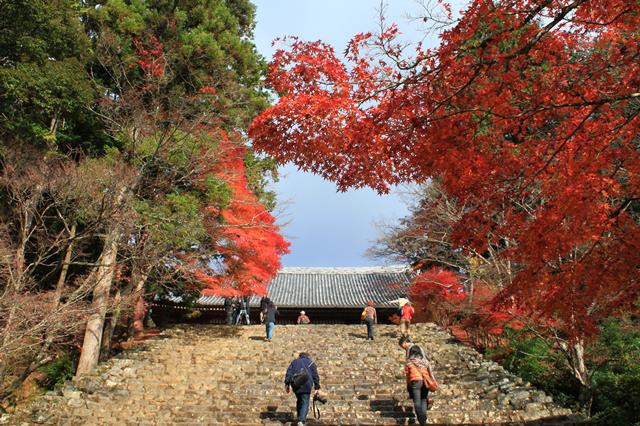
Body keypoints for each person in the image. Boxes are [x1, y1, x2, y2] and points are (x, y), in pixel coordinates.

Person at [284, 352, 321, 426]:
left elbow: (289, 373)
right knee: (305, 401)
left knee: (299, 400)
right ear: (308, 356)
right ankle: (301, 420)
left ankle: (299, 417)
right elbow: (315, 376)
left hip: (296, 384)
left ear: (300, 356)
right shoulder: (311, 363)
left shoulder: (294, 362)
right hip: (307, 385)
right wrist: (317, 387)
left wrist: (287, 384)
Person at [405, 344, 436, 426]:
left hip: (415, 381)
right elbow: (430, 372)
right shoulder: (425, 361)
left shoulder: (409, 362)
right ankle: (424, 420)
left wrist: (408, 385)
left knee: (417, 402)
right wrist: (433, 381)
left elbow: (408, 375)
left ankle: (422, 419)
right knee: (423, 399)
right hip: (425, 381)